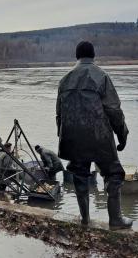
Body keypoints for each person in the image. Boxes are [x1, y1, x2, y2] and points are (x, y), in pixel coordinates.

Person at [56, 41, 132, 230]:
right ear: (93, 56)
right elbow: (114, 110)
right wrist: (122, 135)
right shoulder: (101, 76)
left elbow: (59, 115)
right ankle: (115, 220)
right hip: (99, 137)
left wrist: (63, 136)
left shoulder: (64, 80)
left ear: (77, 56)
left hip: (72, 138)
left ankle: (85, 219)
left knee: (80, 174)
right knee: (114, 174)